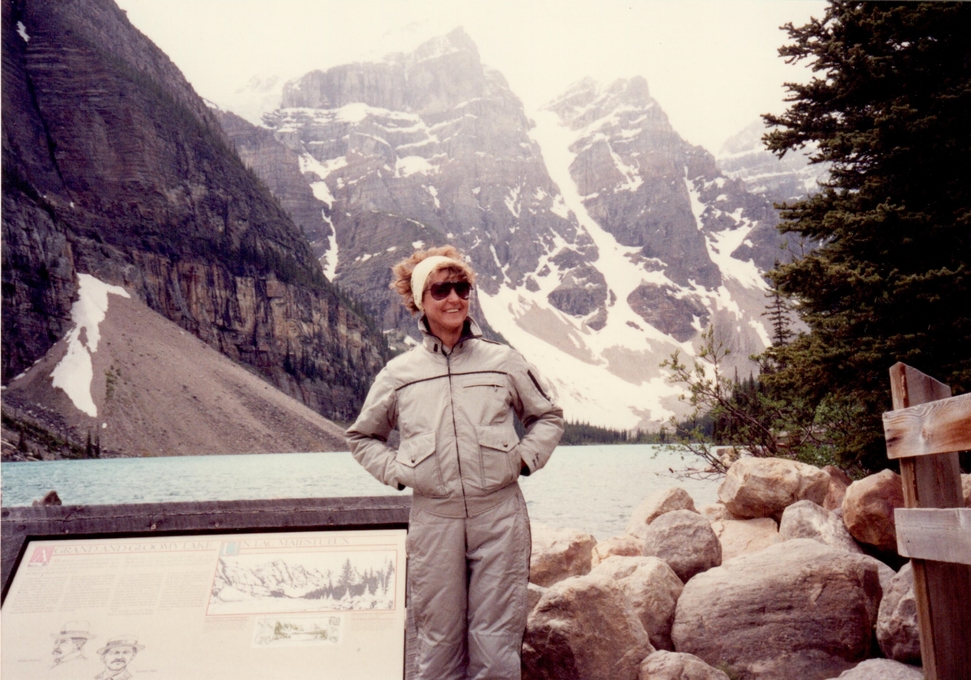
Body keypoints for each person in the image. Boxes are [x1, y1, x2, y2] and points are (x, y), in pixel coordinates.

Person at [347, 245, 563, 680]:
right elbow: (362, 436)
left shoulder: (503, 361)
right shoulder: (399, 374)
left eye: (462, 287)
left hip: (499, 516)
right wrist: (398, 471)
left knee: (496, 643)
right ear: (420, 302)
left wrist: (523, 460)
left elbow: (547, 417)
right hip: (434, 520)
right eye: (441, 289)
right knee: (437, 645)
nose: (454, 298)